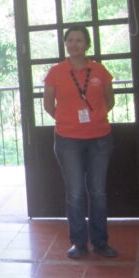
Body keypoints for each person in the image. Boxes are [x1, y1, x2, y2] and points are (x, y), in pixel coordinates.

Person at [42, 25, 117, 259]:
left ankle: (101, 242)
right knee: (74, 193)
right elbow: (48, 104)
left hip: (99, 139)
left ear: (87, 45)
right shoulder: (56, 72)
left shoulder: (99, 71)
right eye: (70, 40)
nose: (74, 44)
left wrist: (94, 119)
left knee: (98, 192)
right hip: (68, 140)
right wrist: (68, 121)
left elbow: (110, 100)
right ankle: (79, 243)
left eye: (79, 40)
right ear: (65, 44)